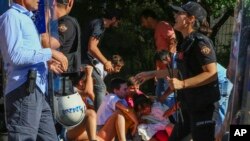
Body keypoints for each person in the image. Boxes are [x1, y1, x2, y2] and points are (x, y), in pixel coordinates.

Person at [135, 2, 220, 141]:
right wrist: (151, 74)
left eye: (179, 13)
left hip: (203, 107)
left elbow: (211, 73)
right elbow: (179, 71)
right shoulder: (186, 42)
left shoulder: (200, 42)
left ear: (190, 19)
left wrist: (182, 84)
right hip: (188, 106)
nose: (175, 15)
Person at [0, 0, 68, 140]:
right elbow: (15, 56)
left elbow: (28, 53)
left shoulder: (27, 18)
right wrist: (50, 53)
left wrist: (46, 63)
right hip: (24, 89)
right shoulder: (11, 17)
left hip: (34, 90)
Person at [82, 8, 123, 111]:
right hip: (83, 60)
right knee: (101, 87)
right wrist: (105, 62)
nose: (118, 24)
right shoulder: (99, 25)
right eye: (118, 21)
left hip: (85, 59)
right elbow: (92, 47)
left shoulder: (97, 24)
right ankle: (100, 117)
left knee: (98, 86)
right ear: (113, 18)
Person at [140, 9, 176, 107]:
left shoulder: (162, 25)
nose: (143, 24)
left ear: (149, 18)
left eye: (143, 21)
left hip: (167, 68)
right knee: (160, 95)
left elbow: (172, 40)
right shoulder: (157, 29)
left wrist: (170, 61)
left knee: (165, 97)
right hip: (162, 68)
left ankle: (169, 119)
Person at [65, 65, 100, 141]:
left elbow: (96, 106)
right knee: (90, 113)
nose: (91, 85)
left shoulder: (83, 98)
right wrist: (89, 74)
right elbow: (88, 92)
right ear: (81, 82)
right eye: (89, 82)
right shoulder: (72, 90)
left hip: (78, 130)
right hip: (68, 132)